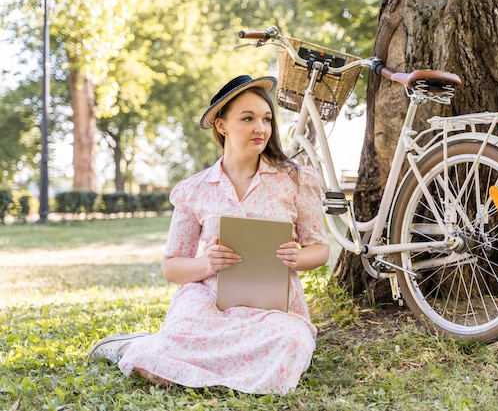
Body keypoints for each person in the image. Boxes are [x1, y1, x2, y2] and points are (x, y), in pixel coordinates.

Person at [87, 75, 330, 395]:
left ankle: (190, 362)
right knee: (173, 343)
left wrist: (298, 257)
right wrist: (207, 264)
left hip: (273, 307)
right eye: (248, 118)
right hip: (208, 302)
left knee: (290, 342)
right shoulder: (195, 189)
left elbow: (320, 248)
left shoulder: (296, 179)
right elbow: (172, 266)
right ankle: (134, 348)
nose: (261, 128)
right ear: (221, 125)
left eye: (266, 119)